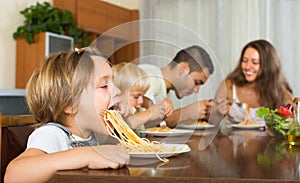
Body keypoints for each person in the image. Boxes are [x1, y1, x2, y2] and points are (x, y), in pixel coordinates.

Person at [4, 47, 130, 182]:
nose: (117, 91)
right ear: (69, 104)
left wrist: (123, 118)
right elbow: (14, 175)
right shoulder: (52, 134)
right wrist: (86, 155)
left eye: (114, 84)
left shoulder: (88, 133)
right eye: (104, 85)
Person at [215, 39, 293, 124]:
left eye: (254, 62)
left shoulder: (280, 92)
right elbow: (211, 124)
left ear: (268, 66)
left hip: (269, 138)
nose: (248, 67)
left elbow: (292, 125)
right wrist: (218, 113)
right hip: (231, 137)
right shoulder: (229, 86)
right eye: (244, 61)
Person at [139, 45, 215, 127]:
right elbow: (146, 124)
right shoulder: (149, 77)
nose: (197, 90)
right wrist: (187, 113)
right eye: (196, 82)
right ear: (183, 69)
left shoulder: (163, 87)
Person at [112, 62, 169, 131]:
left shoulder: (138, 111)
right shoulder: (115, 112)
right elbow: (125, 126)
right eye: (136, 97)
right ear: (117, 94)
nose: (141, 101)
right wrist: (149, 113)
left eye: (143, 95)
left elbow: (141, 127)